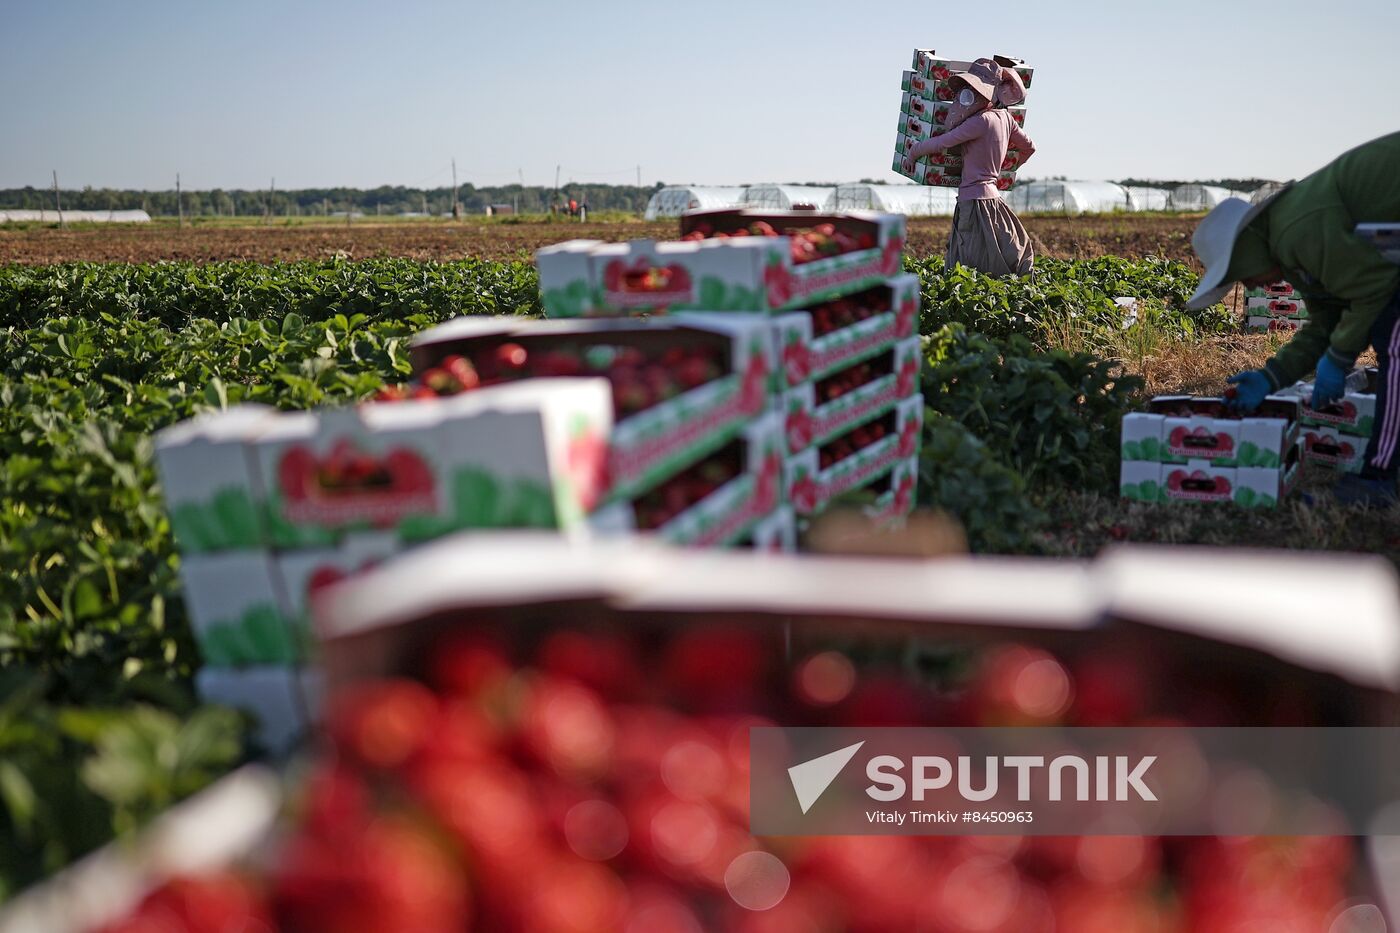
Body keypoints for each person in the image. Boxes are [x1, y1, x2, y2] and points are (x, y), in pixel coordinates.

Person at [1185, 131, 1400, 505]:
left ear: (1245, 250)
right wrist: (1272, 377)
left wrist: (1338, 358)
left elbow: (1374, 288)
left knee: (1392, 335)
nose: (1249, 284)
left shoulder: (1297, 231)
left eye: (1239, 274)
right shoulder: (1290, 248)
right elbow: (1327, 321)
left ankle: (1380, 478)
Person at [904, 58, 1037, 277]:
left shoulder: (980, 121)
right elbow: (1029, 147)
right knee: (1000, 251)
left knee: (969, 260)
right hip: (993, 199)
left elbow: (943, 142)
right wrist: (1007, 168)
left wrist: (913, 152)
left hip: (973, 202)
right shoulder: (1005, 118)